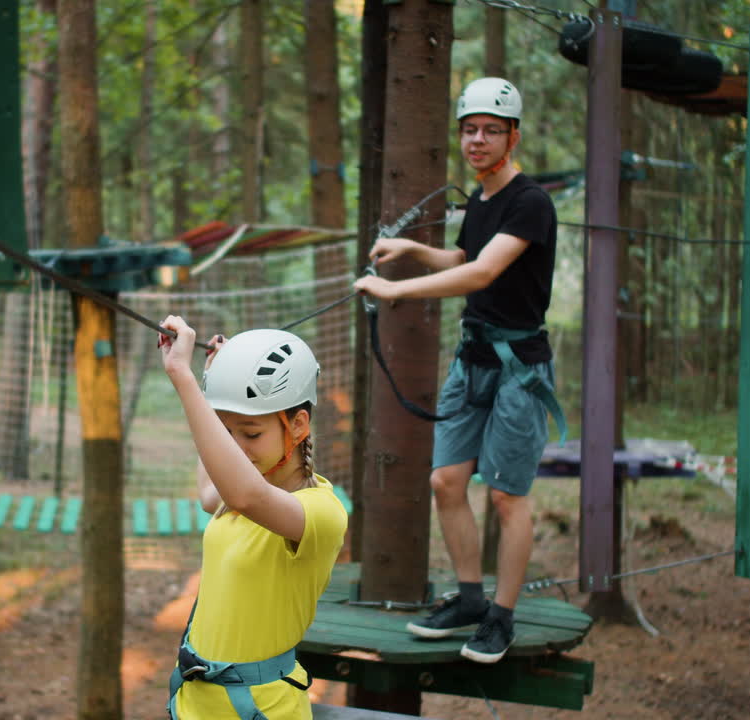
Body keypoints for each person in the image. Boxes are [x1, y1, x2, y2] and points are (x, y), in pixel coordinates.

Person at [352, 77, 559, 664]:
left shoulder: (530, 202)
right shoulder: (482, 202)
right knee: (446, 481)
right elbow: (463, 258)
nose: (478, 140)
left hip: (519, 366)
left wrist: (399, 292)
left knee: (505, 497)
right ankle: (470, 601)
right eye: (470, 129)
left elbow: (481, 276)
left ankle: (502, 616)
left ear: (513, 136)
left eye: (492, 130)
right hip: (472, 362)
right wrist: (412, 252)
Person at [158, 319, 349, 719]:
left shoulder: (319, 513)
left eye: (250, 433)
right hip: (196, 703)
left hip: (261, 709)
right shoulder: (232, 497)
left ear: (298, 425)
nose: (236, 447)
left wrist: (185, 379)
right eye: (226, 433)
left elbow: (247, 495)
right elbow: (213, 494)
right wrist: (212, 381)